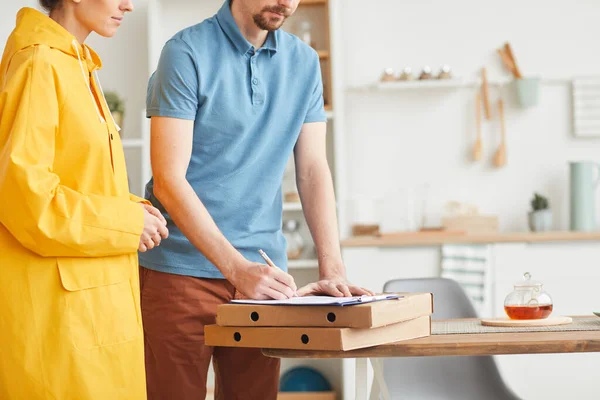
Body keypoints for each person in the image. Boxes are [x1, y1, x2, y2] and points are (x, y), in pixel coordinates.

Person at [139, 0, 372, 398]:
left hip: (264, 279)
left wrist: (332, 267)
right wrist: (236, 269)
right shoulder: (186, 52)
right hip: (178, 272)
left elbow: (313, 169)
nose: (286, 2)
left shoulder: (304, 62)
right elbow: (168, 180)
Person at [0, 1, 168, 399]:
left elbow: (81, 179)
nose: (128, 4)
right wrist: (126, 223)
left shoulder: (75, 64)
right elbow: (25, 198)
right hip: (61, 324)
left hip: (93, 312)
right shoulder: (40, 63)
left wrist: (133, 209)